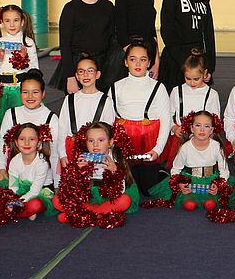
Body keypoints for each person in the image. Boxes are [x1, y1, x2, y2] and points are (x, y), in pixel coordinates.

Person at [110, 40, 171, 196]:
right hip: (124, 144)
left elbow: (166, 121)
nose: (138, 63)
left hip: (148, 143)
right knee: (126, 188)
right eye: (132, 59)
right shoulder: (116, 87)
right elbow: (109, 121)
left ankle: (161, 172)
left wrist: (157, 149)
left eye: (143, 59)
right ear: (125, 62)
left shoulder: (158, 87)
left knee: (148, 190)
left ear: (149, 62)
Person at [54, 121, 139, 225]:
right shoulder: (82, 158)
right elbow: (72, 190)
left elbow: (120, 191)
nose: (95, 145)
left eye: (101, 140)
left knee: (125, 201)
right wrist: (78, 173)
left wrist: (114, 172)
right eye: (90, 141)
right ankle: (97, 212)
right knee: (57, 200)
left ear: (110, 143)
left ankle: (81, 215)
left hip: (109, 197)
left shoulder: (117, 159)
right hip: (90, 196)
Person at [52, 0, 115, 93]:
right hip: (76, 69)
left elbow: (112, 40)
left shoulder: (108, 7)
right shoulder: (71, 9)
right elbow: (65, 45)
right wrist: (70, 77)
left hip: (101, 67)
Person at [149, 111, 228, 211]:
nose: (202, 129)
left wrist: (218, 185)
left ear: (212, 130)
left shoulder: (216, 146)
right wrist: (180, 184)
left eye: (207, 126)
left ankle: (209, 198)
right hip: (190, 182)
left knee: (210, 205)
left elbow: (224, 170)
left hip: (210, 180)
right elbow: (176, 169)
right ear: (191, 128)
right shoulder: (185, 148)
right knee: (189, 205)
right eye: (198, 125)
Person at [158, 0, 216, 91]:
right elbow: (167, 32)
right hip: (176, 62)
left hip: (198, 63)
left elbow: (209, 34)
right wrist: (186, 63)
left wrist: (209, 67)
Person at [0, 69, 60, 186]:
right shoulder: (11, 114)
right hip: (15, 177)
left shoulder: (51, 118)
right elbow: (2, 144)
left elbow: (55, 153)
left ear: (43, 93)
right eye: (25, 92)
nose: (30, 96)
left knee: (34, 204)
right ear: (20, 93)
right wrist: (1, 168)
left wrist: (57, 185)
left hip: (42, 180)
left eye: (35, 92)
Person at [56, 54, 115, 176]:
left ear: (98, 74)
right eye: (81, 71)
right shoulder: (69, 100)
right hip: (72, 151)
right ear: (76, 76)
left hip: (96, 151)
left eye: (90, 71)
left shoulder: (106, 100)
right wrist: (62, 154)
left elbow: (109, 131)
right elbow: (61, 130)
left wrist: (108, 156)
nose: (86, 75)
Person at [162, 48, 222, 166]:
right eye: (188, 78)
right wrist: (174, 128)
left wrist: (207, 134)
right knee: (179, 170)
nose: (192, 82)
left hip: (203, 140)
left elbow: (216, 120)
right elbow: (168, 114)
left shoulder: (211, 94)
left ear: (205, 74)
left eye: (196, 79)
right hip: (180, 139)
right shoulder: (177, 91)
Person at [0, 122, 53, 219]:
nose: (26, 143)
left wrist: (15, 203)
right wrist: (12, 200)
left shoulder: (42, 164)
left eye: (32, 139)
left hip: (39, 193)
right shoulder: (15, 161)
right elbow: (13, 187)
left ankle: (5, 210)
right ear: (16, 142)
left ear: (38, 143)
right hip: (20, 191)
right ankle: (21, 211)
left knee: (35, 205)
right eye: (22, 139)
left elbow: (34, 192)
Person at [112, 0, 158, 82]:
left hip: (147, 53)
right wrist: (135, 59)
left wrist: (156, 61)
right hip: (129, 53)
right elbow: (121, 33)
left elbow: (152, 32)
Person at [0, 4, 39, 116]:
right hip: (1, 91)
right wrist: (0, 59)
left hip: (20, 90)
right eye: (7, 20)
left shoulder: (28, 43)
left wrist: (24, 59)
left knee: (21, 120)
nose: (11, 24)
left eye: (16, 20)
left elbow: (35, 73)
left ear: (22, 21)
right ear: (1, 22)